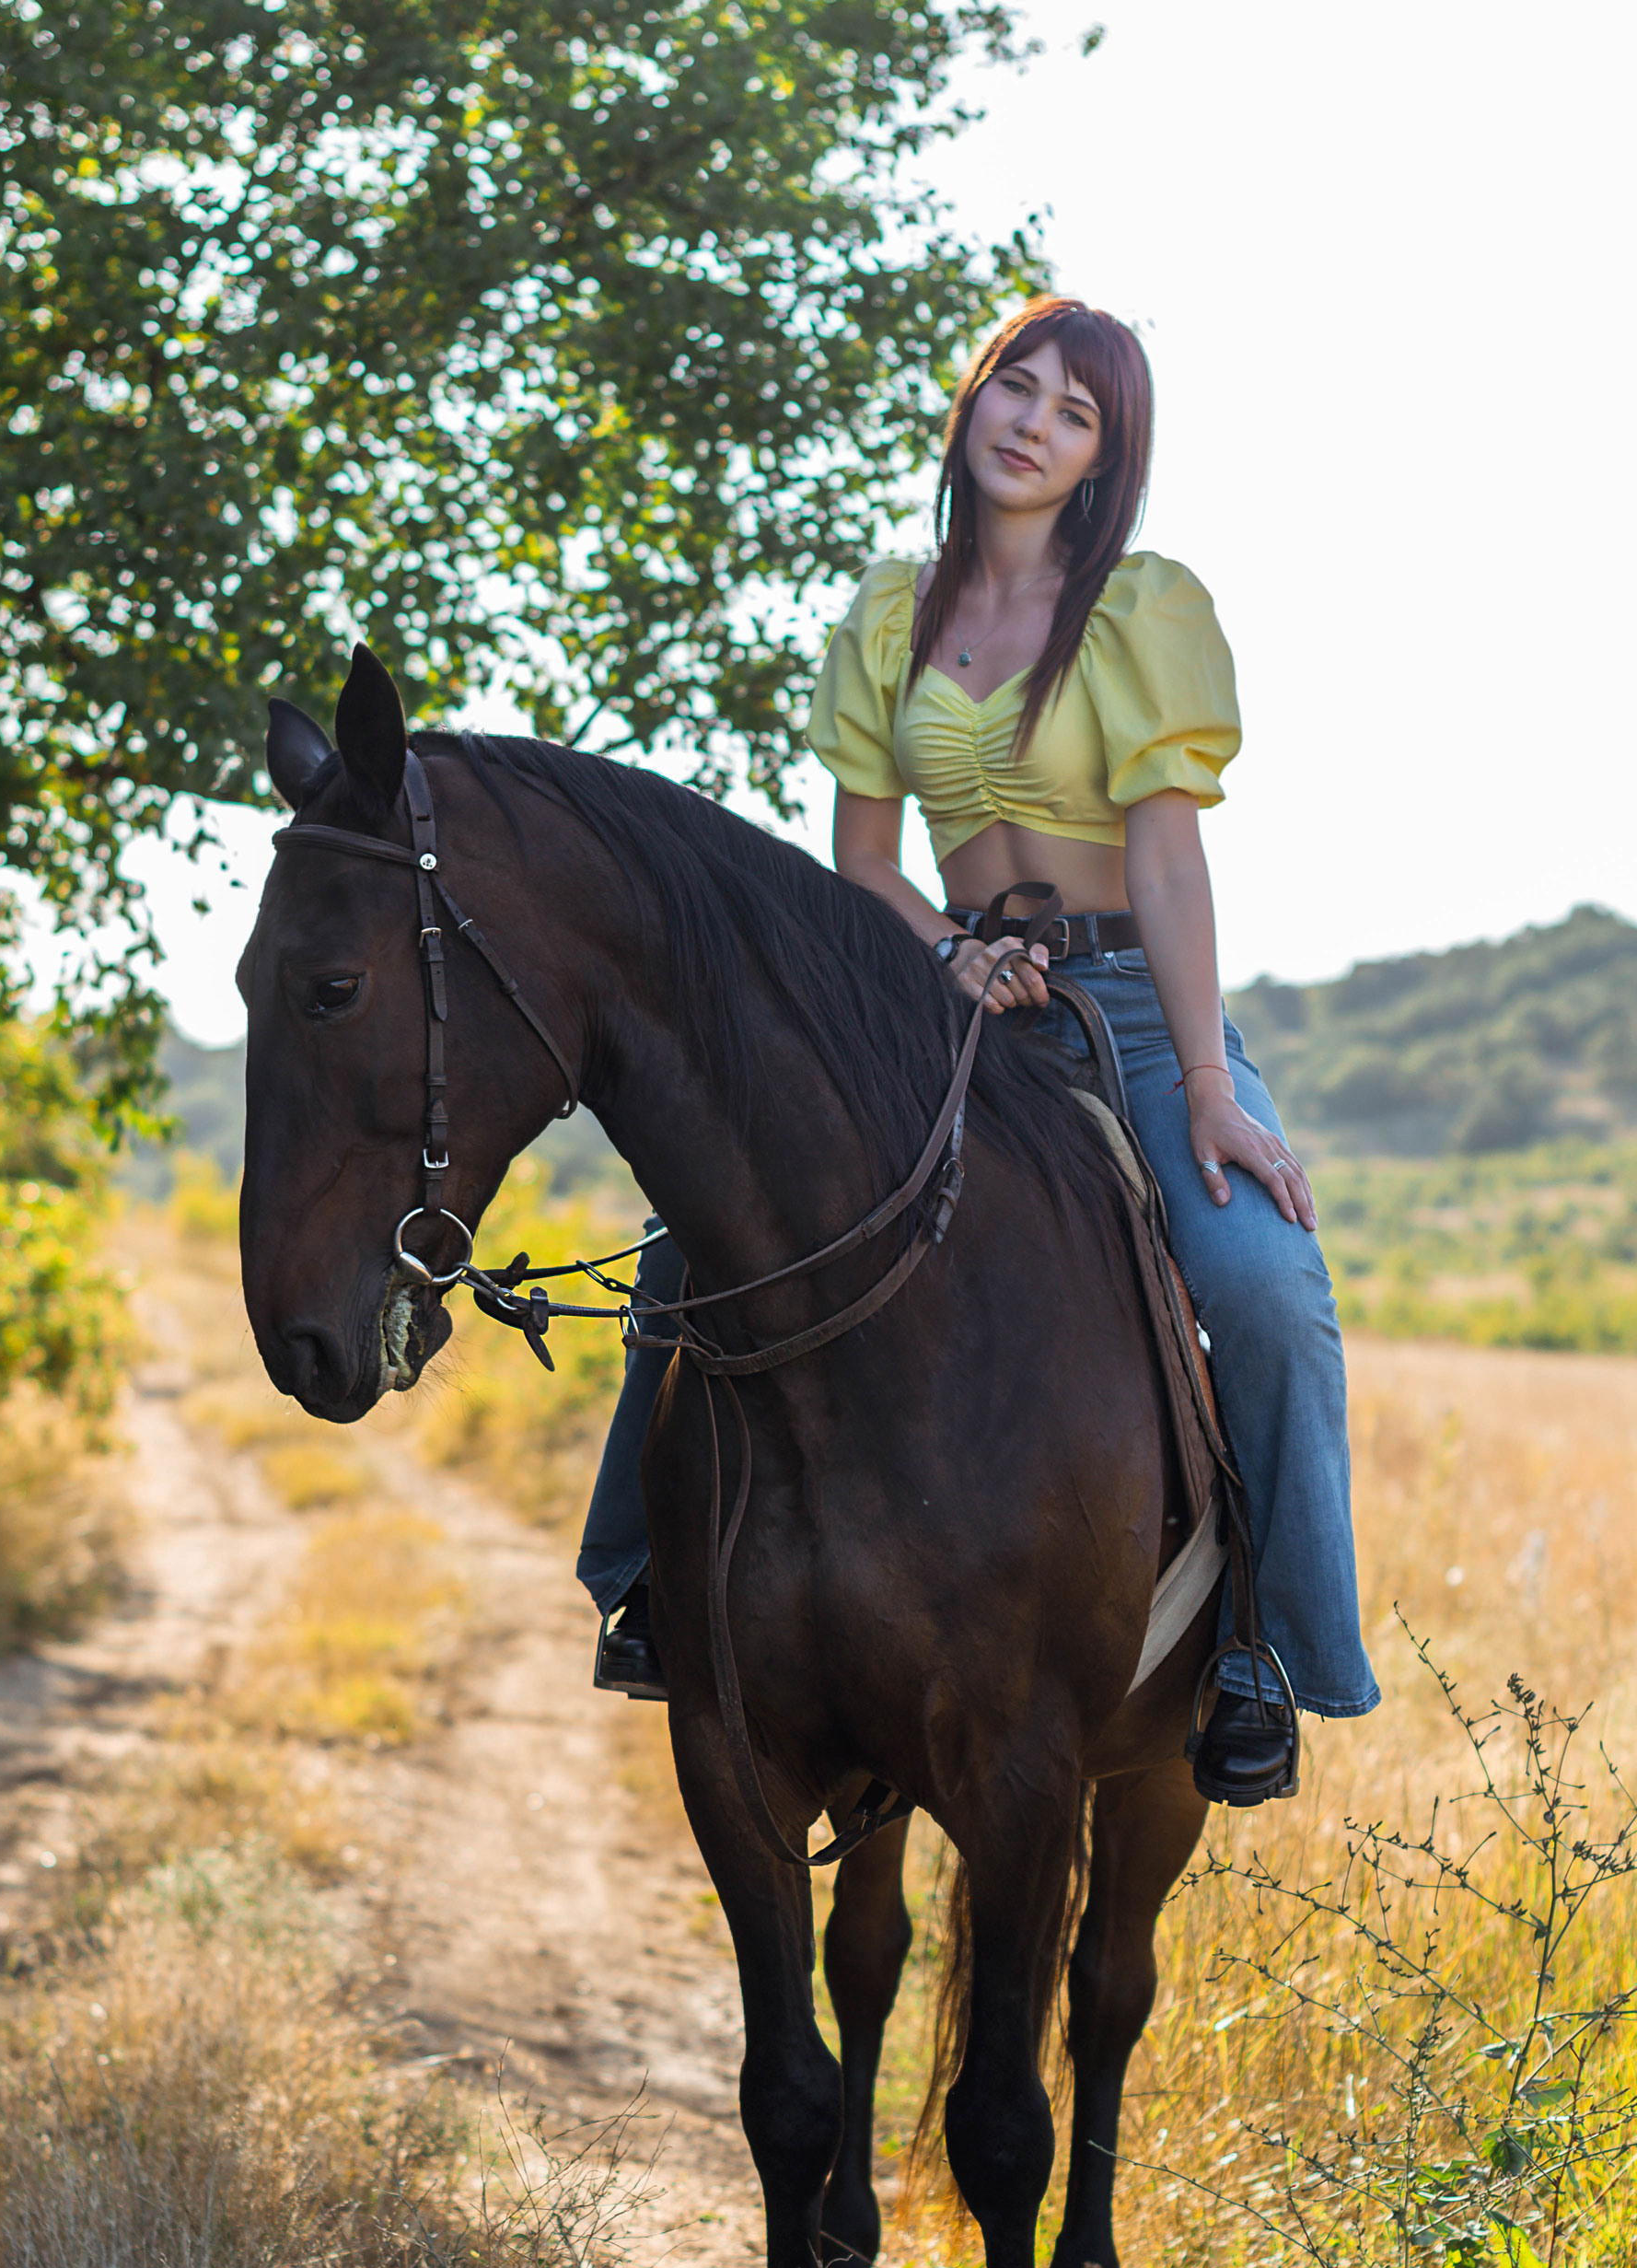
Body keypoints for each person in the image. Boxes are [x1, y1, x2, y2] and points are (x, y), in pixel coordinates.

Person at [581, 294, 1379, 1803]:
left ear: (1105, 458)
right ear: (972, 401)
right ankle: (642, 1582)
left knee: (1268, 1287)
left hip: (1133, 1001)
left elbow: (1167, 867)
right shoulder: (892, 610)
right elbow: (863, 862)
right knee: (701, 1234)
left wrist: (1207, 1082)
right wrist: (948, 955)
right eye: (1018, 386)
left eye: (1076, 413)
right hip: (935, 992)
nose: (1033, 422)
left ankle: (1269, 1656)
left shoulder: (1144, 609)